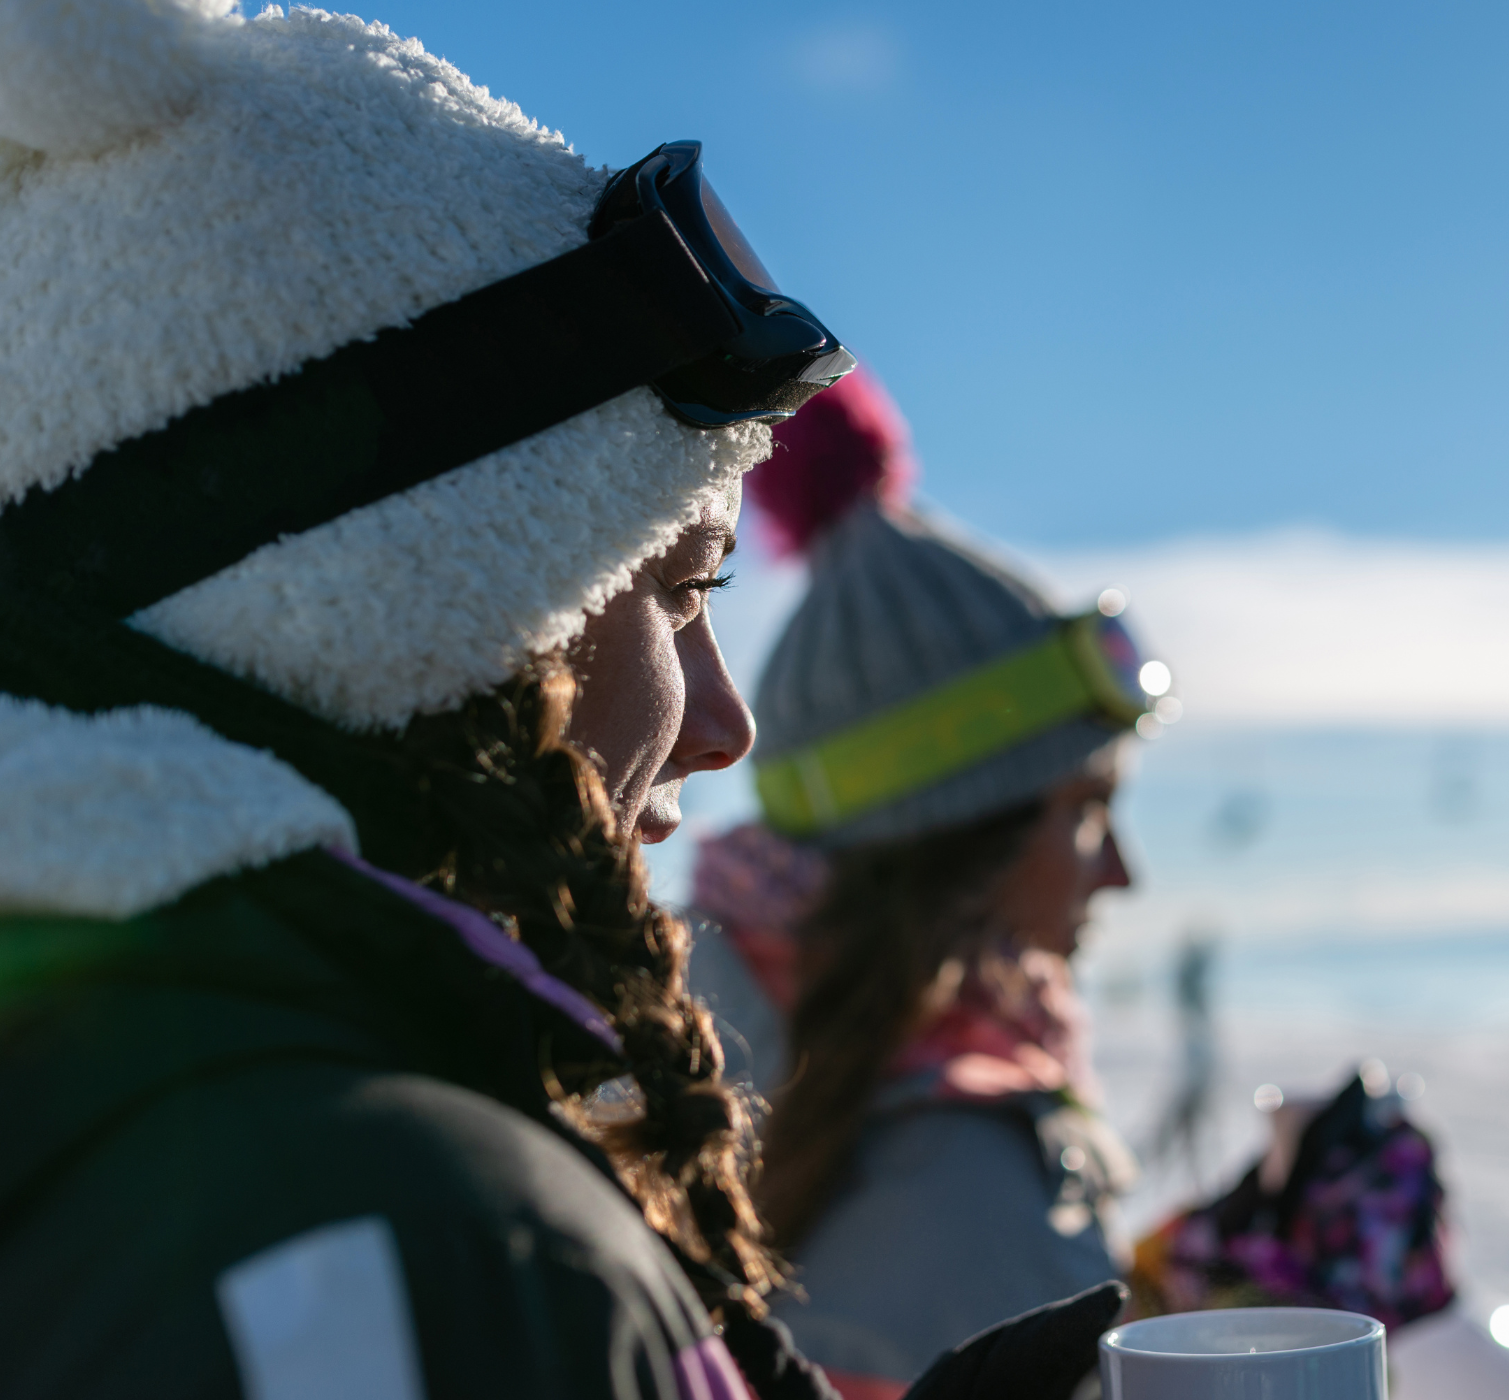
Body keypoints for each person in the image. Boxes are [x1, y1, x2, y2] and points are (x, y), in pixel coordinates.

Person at [0, 5, 1121, 1397]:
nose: (727, 726)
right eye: (679, 591)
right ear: (395, 601)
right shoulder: (399, 1234)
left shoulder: (216, 1141)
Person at [686, 369, 1159, 1398]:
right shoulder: (963, 1183)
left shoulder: (687, 1051)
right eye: (1083, 810)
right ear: (959, 841)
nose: (1121, 872)